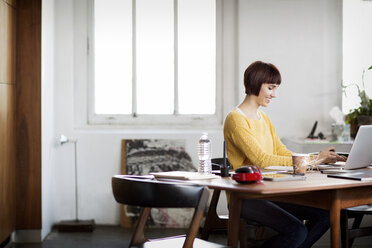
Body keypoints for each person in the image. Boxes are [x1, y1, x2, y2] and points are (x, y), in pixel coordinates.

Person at [223, 61, 346, 248]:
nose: (274, 94)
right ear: (255, 83)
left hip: (271, 192)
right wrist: (315, 159)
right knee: (297, 231)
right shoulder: (235, 119)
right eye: (270, 88)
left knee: (326, 214)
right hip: (246, 197)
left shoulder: (263, 118)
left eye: (275, 88)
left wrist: (316, 160)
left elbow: (281, 151)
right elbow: (262, 159)